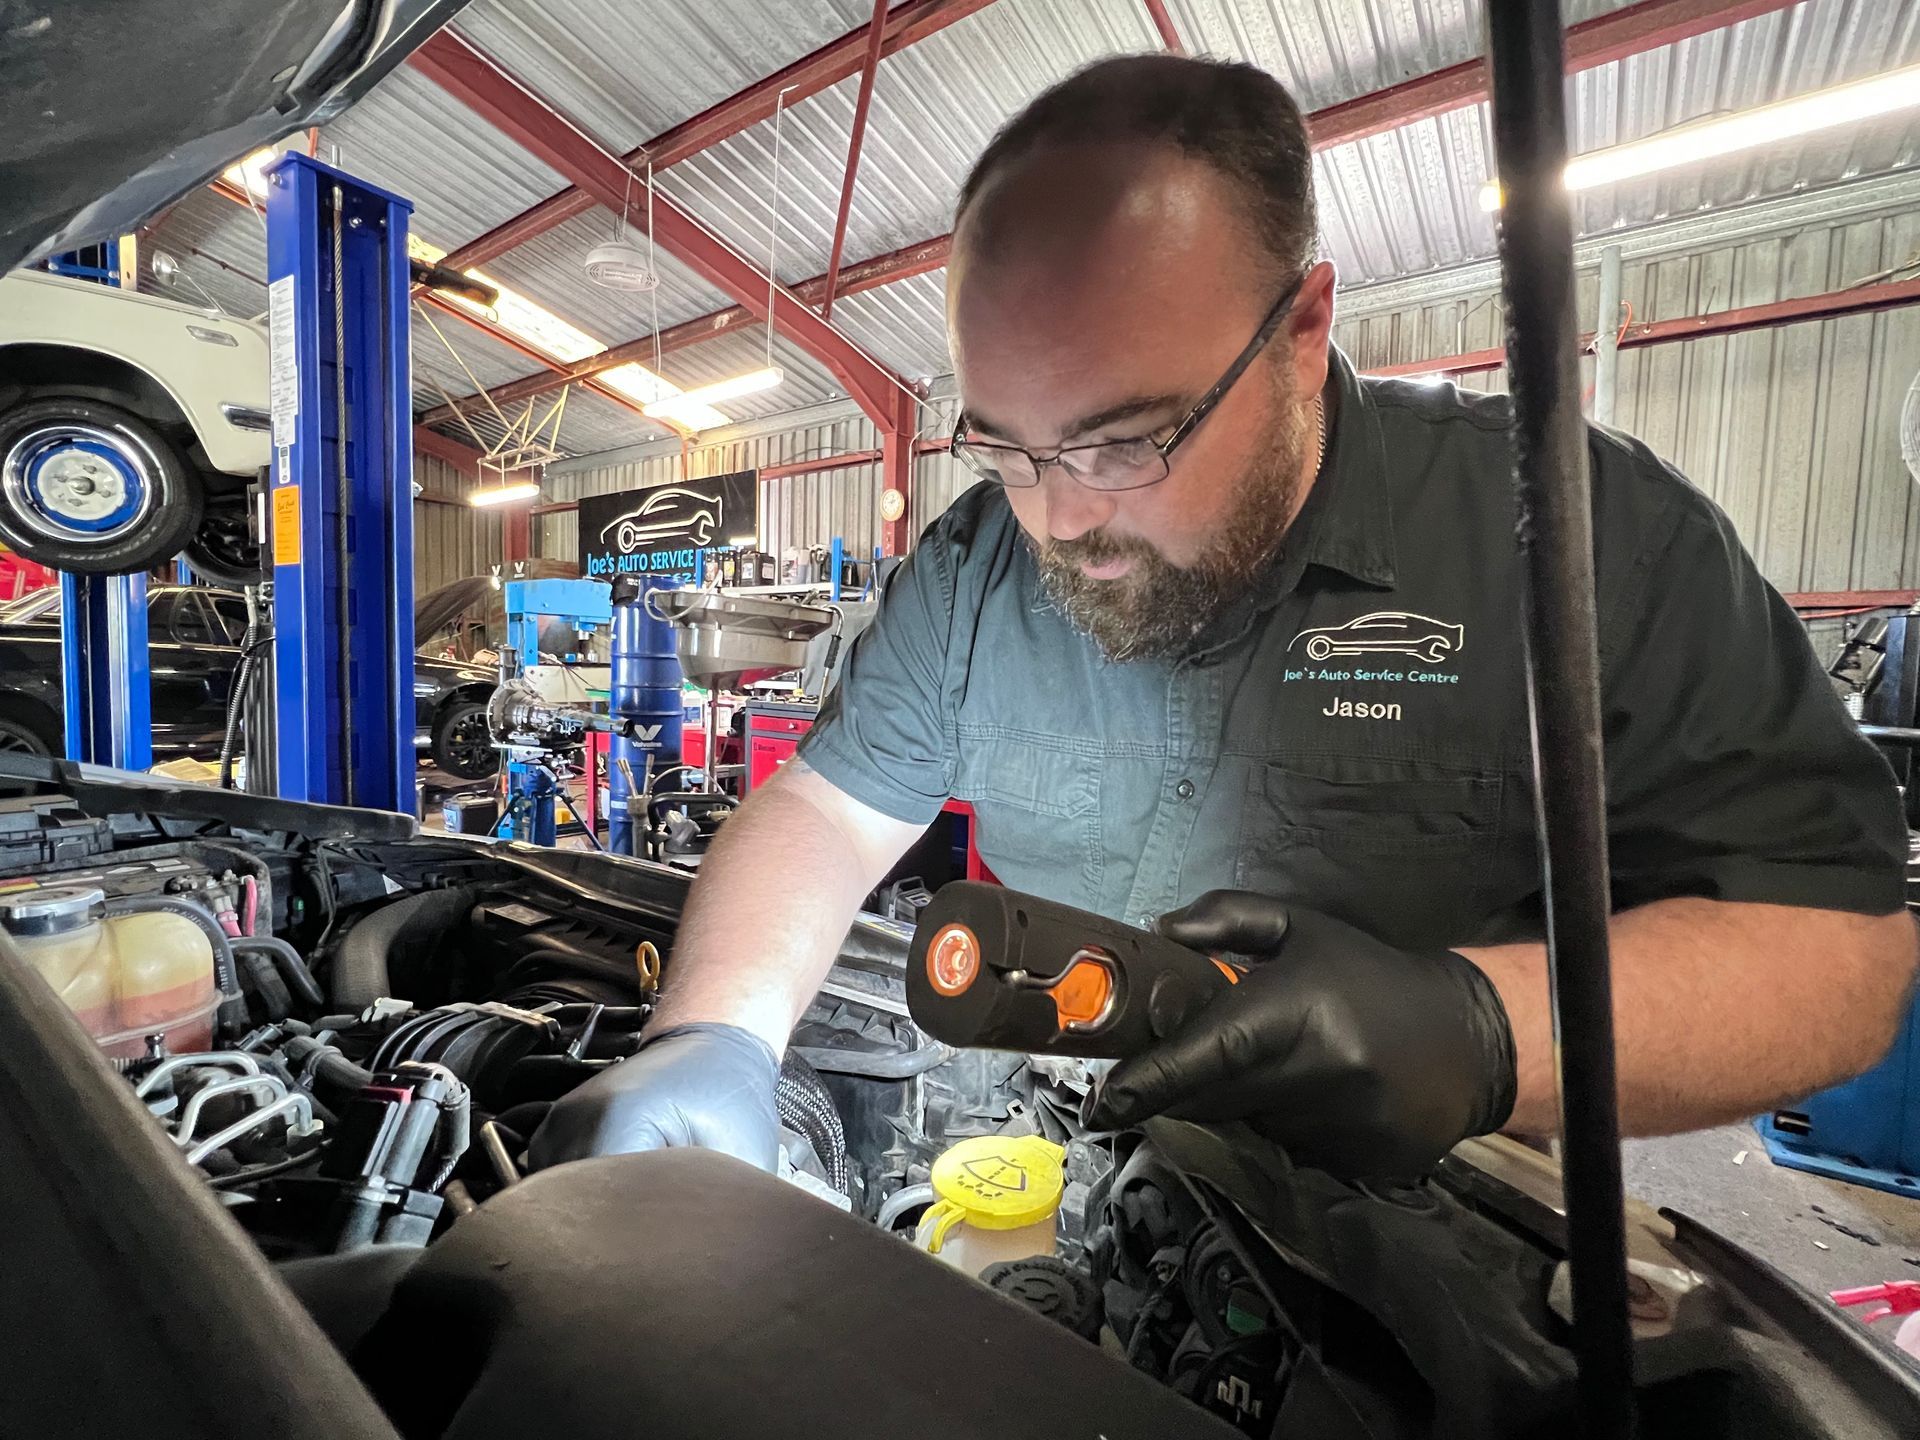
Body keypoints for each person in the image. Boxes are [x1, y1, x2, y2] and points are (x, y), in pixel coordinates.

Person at [529, 55, 1918, 1180]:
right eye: (1007, 449)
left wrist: (1486, 1029)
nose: (1060, 517)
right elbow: (830, 815)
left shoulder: (1570, 534)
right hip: (1067, 1188)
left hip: (1442, 1252)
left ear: (1304, 328)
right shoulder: (972, 572)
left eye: (1127, 440)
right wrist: (714, 1034)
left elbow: (1843, 954)